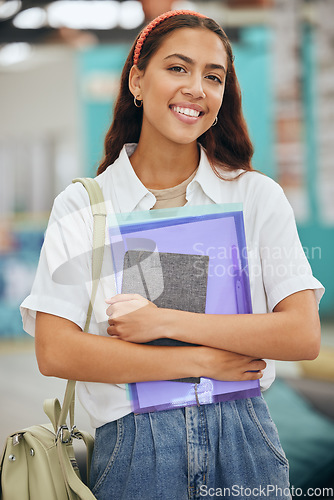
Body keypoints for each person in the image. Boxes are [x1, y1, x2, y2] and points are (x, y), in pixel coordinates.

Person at [21, 10, 324, 500]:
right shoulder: (83, 205)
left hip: (245, 439)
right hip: (136, 448)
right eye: (178, 68)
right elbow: (57, 350)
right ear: (137, 81)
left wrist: (164, 323)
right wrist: (202, 360)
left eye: (214, 76)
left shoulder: (255, 196)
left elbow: (301, 333)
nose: (197, 88)